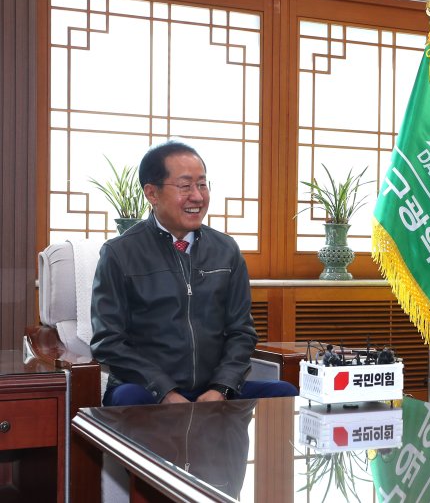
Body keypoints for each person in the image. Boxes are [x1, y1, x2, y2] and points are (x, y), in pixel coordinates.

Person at [91, 139, 297, 406]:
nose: (198, 196)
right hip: (147, 390)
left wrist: (221, 388)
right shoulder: (119, 253)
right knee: (128, 398)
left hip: (213, 390)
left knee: (284, 392)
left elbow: (241, 332)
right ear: (152, 194)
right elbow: (109, 342)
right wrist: (164, 392)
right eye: (185, 186)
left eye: (202, 184)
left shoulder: (226, 250)